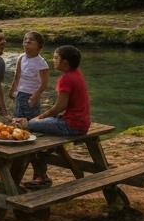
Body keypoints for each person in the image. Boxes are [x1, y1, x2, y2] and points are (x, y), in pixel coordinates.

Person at [16, 45, 91, 186]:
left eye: (56, 58)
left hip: (71, 126)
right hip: (81, 123)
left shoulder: (66, 79)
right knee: (36, 129)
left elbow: (60, 106)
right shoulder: (77, 73)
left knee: (29, 125)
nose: (53, 60)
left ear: (65, 62)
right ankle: (40, 175)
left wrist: (41, 117)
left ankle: (39, 176)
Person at [7, 31, 49, 122]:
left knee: (31, 119)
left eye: (30, 42)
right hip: (20, 94)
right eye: (25, 41)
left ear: (39, 46)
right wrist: (12, 90)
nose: (26, 44)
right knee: (17, 117)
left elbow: (44, 82)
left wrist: (37, 94)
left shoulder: (41, 63)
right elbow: (17, 75)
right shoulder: (21, 58)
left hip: (31, 95)